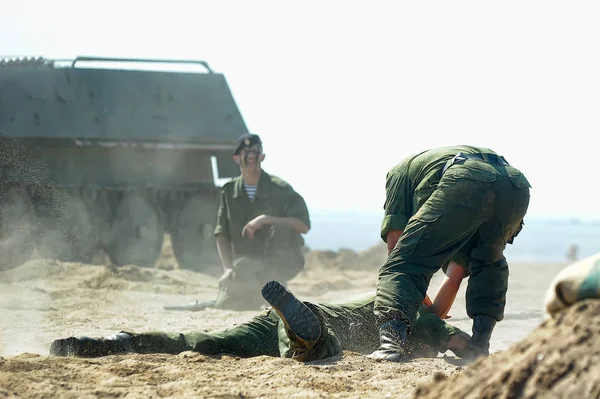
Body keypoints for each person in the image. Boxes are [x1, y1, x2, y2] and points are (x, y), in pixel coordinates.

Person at [369, 145, 531, 362]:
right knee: (487, 264)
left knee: (400, 265)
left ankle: (390, 344)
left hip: (467, 177)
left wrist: (420, 316)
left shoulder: (398, 174)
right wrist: (433, 325)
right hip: (515, 185)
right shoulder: (454, 207)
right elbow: (454, 276)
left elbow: (396, 248)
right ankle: (479, 345)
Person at [50, 281, 472, 362]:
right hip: (311, 324)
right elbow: (460, 344)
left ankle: (114, 341)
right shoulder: (417, 314)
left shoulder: (380, 294)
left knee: (204, 342)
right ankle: (306, 339)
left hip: (287, 315)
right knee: (318, 349)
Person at [165, 133, 311, 311]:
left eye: (255, 152)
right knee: (226, 304)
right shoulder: (228, 191)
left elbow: (303, 225)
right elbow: (222, 233)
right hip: (245, 265)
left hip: (276, 266)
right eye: (246, 152)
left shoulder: (280, 189)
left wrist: (265, 219)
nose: (251, 156)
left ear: (262, 157)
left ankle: (277, 291)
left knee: (281, 229)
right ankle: (253, 294)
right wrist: (227, 268)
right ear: (236, 158)